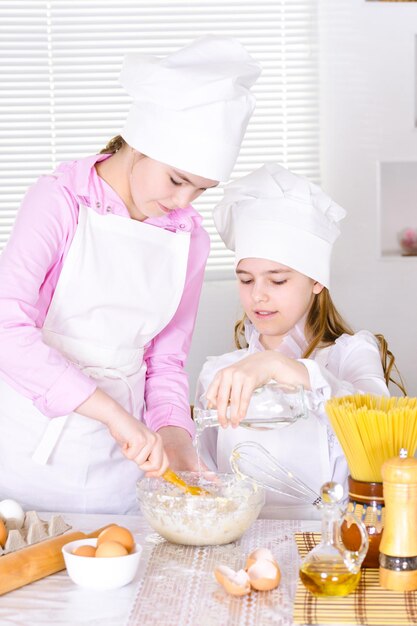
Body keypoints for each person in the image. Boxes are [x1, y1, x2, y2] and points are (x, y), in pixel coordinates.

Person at [0, 36, 261, 514]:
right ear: (138, 143)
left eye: (201, 190)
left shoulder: (189, 239)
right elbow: (7, 331)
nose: (184, 203)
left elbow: (165, 362)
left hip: (120, 462)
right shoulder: (59, 202)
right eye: (177, 180)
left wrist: (176, 439)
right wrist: (110, 413)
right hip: (27, 448)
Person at [195, 163, 404, 517]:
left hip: (330, 550)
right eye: (246, 280)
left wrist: (276, 364)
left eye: (277, 281)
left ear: (317, 280)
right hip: (243, 548)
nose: (257, 296)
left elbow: (377, 430)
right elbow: (204, 475)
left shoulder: (351, 355)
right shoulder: (221, 372)